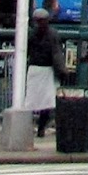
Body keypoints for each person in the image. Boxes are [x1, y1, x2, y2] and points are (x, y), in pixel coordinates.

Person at [24, 8, 63, 139]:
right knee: (47, 102)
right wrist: (62, 71)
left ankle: (28, 128)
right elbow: (56, 54)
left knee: (31, 100)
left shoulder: (31, 34)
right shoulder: (53, 34)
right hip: (47, 70)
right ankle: (41, 128)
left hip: (34, 69)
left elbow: (26, 51)